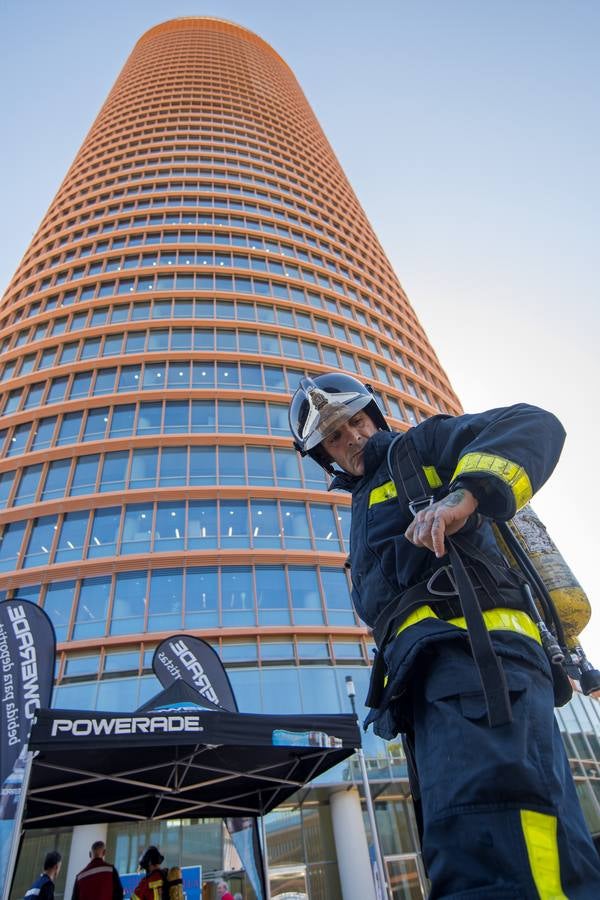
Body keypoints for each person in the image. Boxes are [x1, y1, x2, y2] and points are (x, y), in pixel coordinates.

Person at [289, 373, 600, 898]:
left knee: (508, 837)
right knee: (466, 843)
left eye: (357, 422)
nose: (353, 439)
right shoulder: (363, 507)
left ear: (374, 417)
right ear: (328, 458)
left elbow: (533, 424)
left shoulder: (419, 447)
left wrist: (465, 495)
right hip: (430, 682)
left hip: (480, 662)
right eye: (336, 438)